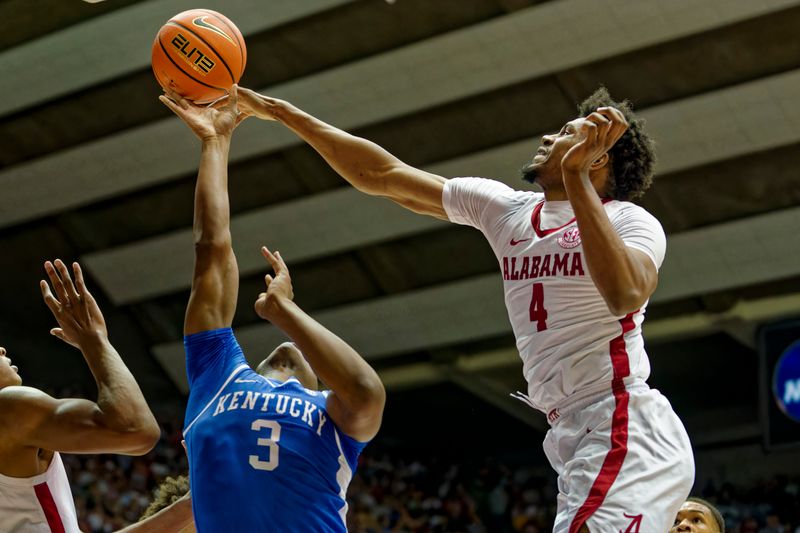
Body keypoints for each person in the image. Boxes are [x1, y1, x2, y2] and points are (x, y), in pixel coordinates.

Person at [233, 85, 694, 532]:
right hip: (573, 433)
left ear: (598, 157)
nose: (547, 138)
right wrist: (280, 112)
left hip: (623, 423)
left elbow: (625, 295)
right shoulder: (508, 211)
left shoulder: (629, 220)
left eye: (565, 134)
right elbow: (382, 175)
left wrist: (576, 181)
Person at [159, 85, 386, 532]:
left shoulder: (331, 414)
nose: (288, 350)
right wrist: (214, 144)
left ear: (321, 382)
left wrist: (285, 312)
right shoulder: (216, 379)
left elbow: (365, 391)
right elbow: (211, 249)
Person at [0, 260, 191, 532]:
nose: (2, 349)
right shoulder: (9, 409)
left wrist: (187, 508)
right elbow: (136, 431)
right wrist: (94, 340)